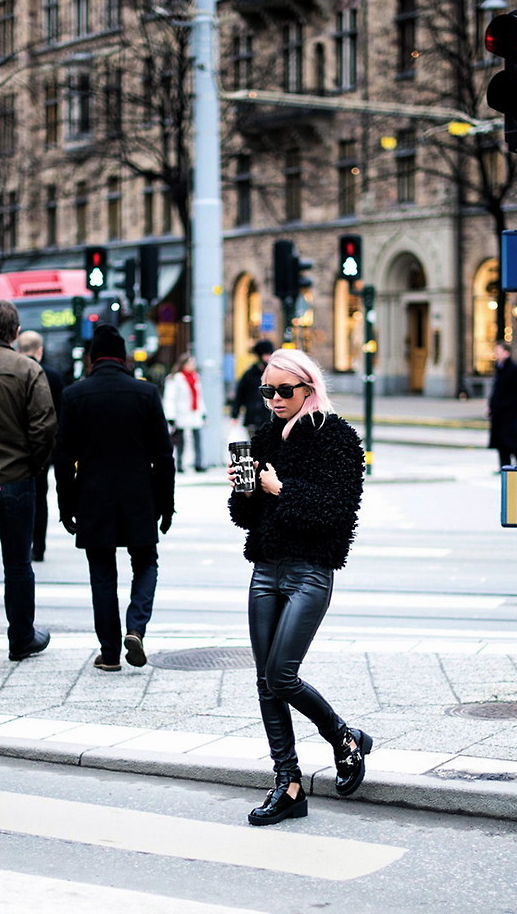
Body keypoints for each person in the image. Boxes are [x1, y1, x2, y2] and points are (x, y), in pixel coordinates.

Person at [227, 348, 369, 827]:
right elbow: (245, 519)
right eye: (267, 390)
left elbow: (335, 513)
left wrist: (278, 489)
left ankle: (342, 737)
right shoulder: (264, 436)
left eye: (284, 390)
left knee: (282, 675)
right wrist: (246, 492)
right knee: (266, 681)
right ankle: (287, 783)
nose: (274, 399)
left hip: (310, 571)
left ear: (309, 388)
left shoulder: (338, 439)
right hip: (265, 569)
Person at [55, 324, 175, 672]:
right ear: (123, 358)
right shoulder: (146, 393)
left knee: (102, 575)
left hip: (93, 497)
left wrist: (66, 507)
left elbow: (63, 458)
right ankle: (136, 627)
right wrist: (166, 506)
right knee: (146, 563)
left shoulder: (74, 395)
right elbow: (164, 456)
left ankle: (109, 653)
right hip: (140, 496)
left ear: (92, 357)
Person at [0, 301, 56, 668]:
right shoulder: (27, 369)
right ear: (15, 332)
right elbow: (44, 427)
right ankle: (21, 638)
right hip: (15, 480)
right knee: (18, 564)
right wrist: (32, 466)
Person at [17, 330, 64, 562]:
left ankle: (21, 544)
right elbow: (59, 414)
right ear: (40, 349)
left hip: (15, 449)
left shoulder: (11, 372)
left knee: (16, 496)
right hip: (43, 448)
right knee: (40, 497)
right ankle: (39, 546)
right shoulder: (53, 376)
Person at [163, 353, 207, 473]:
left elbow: (199, 396)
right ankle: (180, 463)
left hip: (194, 412)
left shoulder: (195, 377)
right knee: (180, 440)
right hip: (181, 413)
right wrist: (170, 416)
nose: (192, 365)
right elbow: (170, 398)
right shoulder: (175, 378)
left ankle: (199, 462)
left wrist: (203, 412)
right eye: (189, 363)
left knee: (197, 438)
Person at [488, 340, 517, 470]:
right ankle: (504, 466)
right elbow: (496, 390)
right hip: (499, 413)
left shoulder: (515, 370)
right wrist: (491, 406)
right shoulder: (499, 369)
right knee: (501, 442)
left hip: (510, 413)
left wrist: (508, 404)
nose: (496, 354)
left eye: (498, 351)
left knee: (512, 440)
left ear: (506, 353)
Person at [230, 340, 274, 438]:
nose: (268, 358)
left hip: (270, 417)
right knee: (255, 447)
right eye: (266, 354)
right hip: (252, 418)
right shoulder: (250, 374)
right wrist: (235, 414)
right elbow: (240, 394)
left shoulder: (274, 373)